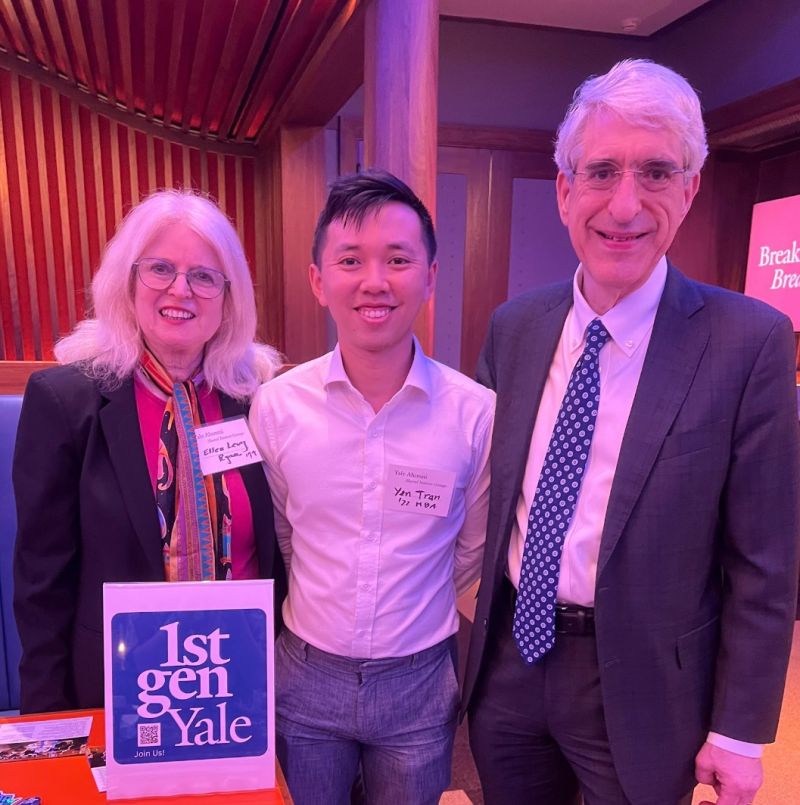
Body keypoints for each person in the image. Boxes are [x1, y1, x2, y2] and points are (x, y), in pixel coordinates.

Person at [463, 59, 800, 805]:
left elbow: (766, 564)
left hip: (648, 691)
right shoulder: (515, 328)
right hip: (511, 669)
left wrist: (741, 732)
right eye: (602, 171)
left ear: (689, 190)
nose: (624, 204)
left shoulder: (748, 343)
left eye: (654, 173)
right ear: (563, 189)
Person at [249, 169, 495, 805]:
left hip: (419, 682)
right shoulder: (276, 408)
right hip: (304, 676)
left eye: (398, 259)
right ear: (318, 281)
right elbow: (283, 533)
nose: (375, 281)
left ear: (430, 277)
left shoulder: (475, 413)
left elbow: (470, 548)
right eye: (351, 260)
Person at [13, 189, 287, 714]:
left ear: (229, 298)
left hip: (248, 683)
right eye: (160, 268)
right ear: (127, 280)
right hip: (120, 691)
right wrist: (48, 720)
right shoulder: (66, 401)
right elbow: (41, 581)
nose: (180, 290)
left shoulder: (261, 399)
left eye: (204, 276)